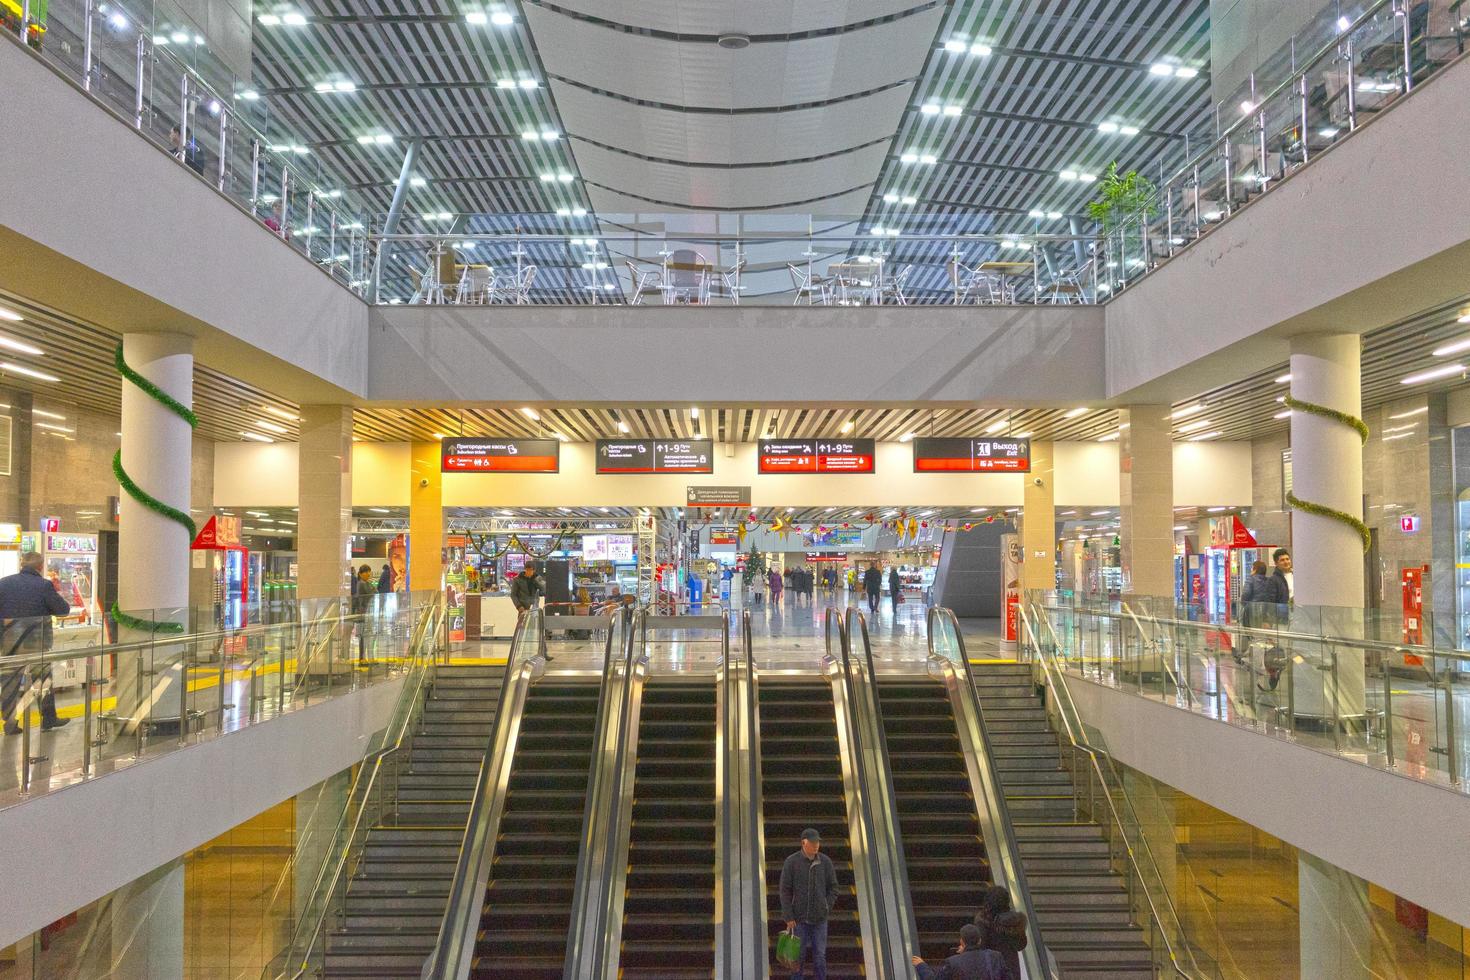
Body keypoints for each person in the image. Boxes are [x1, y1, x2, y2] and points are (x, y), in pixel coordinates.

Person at [0, 552, 73, 734]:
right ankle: (48, 719)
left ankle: (9, 724)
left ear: (21, 564)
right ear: (40, 567)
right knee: (43, 680)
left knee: (10, 683)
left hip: (10, 641)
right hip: (36, 642)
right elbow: (63, 610)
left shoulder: (4, 583)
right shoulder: (44, 585)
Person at [779, 828, 838, 980]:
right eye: (812, 842)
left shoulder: (825, 862)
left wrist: (827, 906)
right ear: (803, 843)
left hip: (820, 919)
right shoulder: (791, 862)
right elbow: (785, 890)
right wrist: (788, 916)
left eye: (817, 842)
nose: (816, 845)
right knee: (797, 959)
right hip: (799, 919)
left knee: (820, 958)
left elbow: (834, 887)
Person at [912, 923, 1008, 980]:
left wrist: (921, 965)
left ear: (961, 941)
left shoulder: (952, 962)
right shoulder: (996, 956)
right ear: (979, 940)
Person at [973, 885, 1028, 980]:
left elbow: (981, 947)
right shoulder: (1015, 922)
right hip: (1012, 969)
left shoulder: (984, 921)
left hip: (992, 970)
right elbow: (1021, 945)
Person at [510, 561, 549, 659]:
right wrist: (519, 606)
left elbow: (544, 590)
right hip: (523, 609)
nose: (529, 572)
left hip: (534, 609)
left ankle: (544, 653)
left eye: (531, 570)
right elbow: (513, 595)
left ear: (534, 570)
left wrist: (536, 580)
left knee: (539, 631)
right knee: (522, 632)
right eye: (527, 570)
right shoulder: (518, 580)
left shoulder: (537, 578)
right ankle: (521, 654)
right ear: (525, 569)